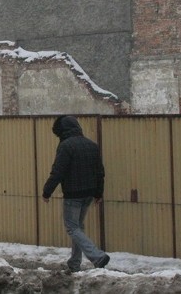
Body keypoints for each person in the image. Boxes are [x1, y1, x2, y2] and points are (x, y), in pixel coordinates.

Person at [42, 115, 110, 272]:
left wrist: (47, 192)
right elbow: (100, 172)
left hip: (73, 194)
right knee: (77, 227)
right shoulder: (92, 145)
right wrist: (99, 193)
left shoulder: (66, 146)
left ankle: (97, 256)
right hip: (89, 193)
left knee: (72, 227)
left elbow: (57, 172)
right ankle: (74, 263)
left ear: (63, 131)